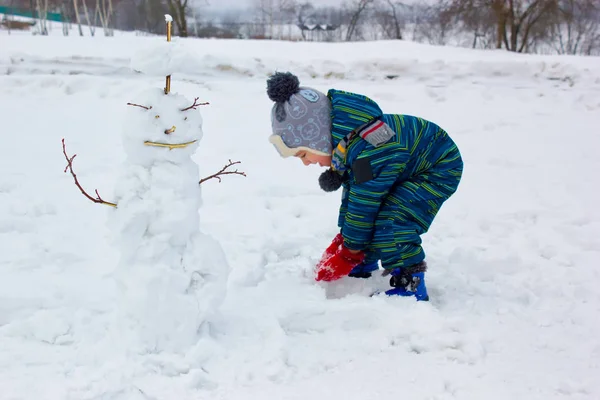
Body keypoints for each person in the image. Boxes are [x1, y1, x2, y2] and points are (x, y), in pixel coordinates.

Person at [266, 72, 463, 301]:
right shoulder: (350, 147)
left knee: (392, 219)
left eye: (303, 154)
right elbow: (354, 201)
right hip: (407, 168)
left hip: (437, 168)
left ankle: (410, 283)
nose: (307, 162)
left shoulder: (370, 151)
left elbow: (364, 205)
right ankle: (365, 262)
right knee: (367, 213)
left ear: (319, 139)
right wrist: (347, 240)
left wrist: (350, 251)